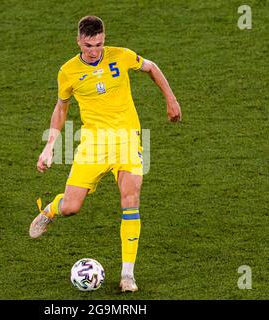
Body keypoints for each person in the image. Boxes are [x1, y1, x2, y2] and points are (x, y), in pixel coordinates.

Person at [29, 15, 181, 292]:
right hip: (93, 145)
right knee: (72, 207)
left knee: (131, 199)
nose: (95, 51)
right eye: (89, 45)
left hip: (127, 141)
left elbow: (152, 67)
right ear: (78, 41)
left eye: (99, 44)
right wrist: (49, 146)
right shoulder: (68, 72)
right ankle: (51, 210)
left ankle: (127, 275)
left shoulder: (121, 56)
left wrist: (171, 99)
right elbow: (61, 108)